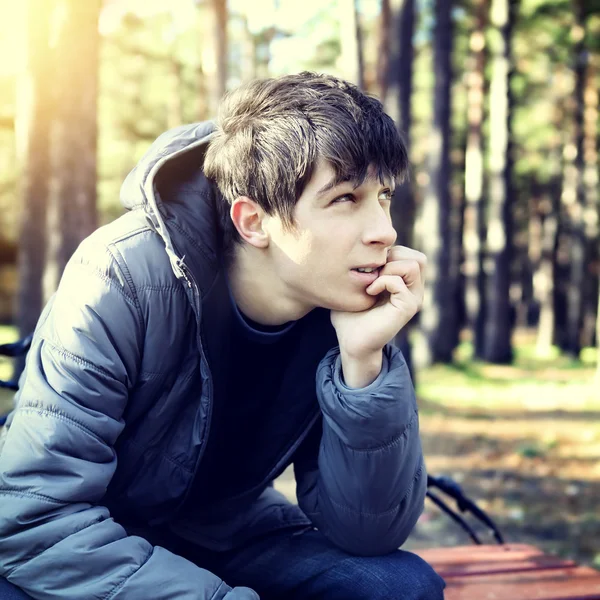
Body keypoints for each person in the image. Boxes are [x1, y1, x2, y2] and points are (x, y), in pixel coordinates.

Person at [0, 72, 445, 599]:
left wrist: (364, 365)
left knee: (398, 587)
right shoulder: (120, 278)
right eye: (346, 198)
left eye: (384, 196)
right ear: (254, 222)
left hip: (214, 531)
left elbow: (370, 533)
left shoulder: (340, 304)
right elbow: (33, 518)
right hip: (81, 538)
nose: (385, 231)